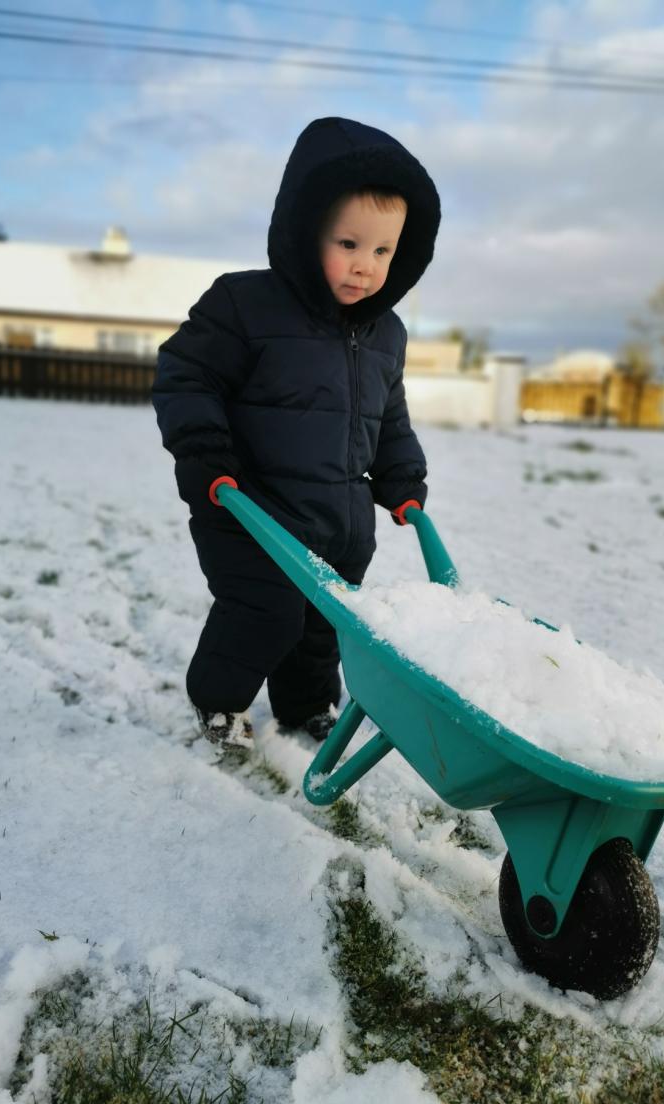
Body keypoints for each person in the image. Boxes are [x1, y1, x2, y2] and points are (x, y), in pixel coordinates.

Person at [152, 116, 441, 752]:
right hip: (248, 506)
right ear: (305, 229)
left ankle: (307, 704)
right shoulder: (243, 304)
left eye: (383, 251)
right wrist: (205, 456)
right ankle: (219, 702)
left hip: (339, 519)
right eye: (348, 244)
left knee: (323, 621)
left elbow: (389, 416)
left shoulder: (385, 333)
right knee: (264, 612)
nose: (365, 266)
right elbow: (185, 375)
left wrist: (402, 479)